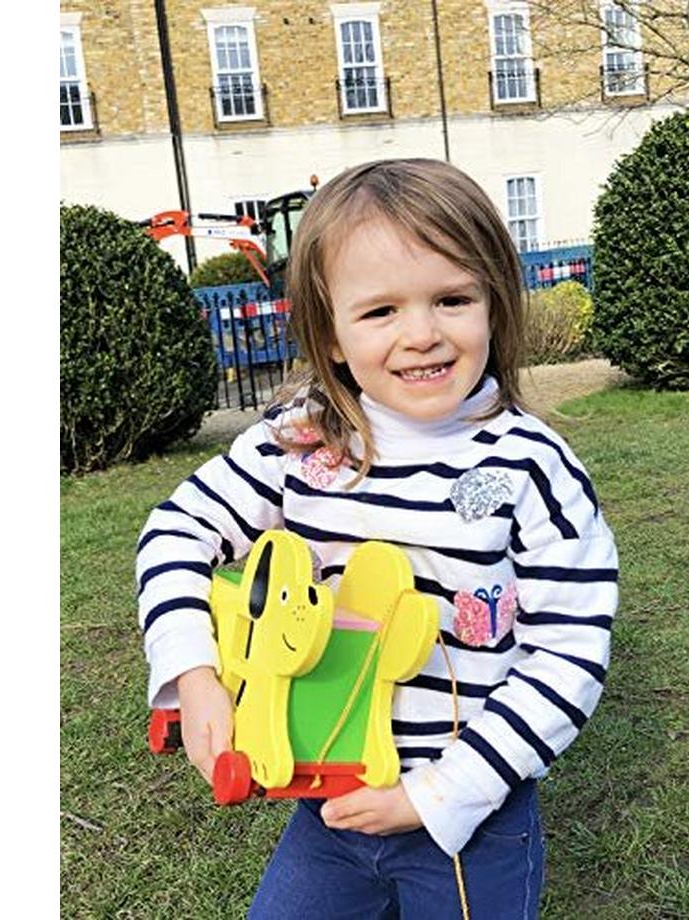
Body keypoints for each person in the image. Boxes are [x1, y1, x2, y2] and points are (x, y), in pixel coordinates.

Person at [136, 158, 618, 918]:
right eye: (381, 311)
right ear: (329, 334)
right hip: (325, 807)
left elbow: (572, 654)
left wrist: (437, 794)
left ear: (495, 303)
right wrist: (192, 673)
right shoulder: (298, 442)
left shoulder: (534, 468)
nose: (422, 334)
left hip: (471, 819)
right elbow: (177, 529)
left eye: (452, 298)